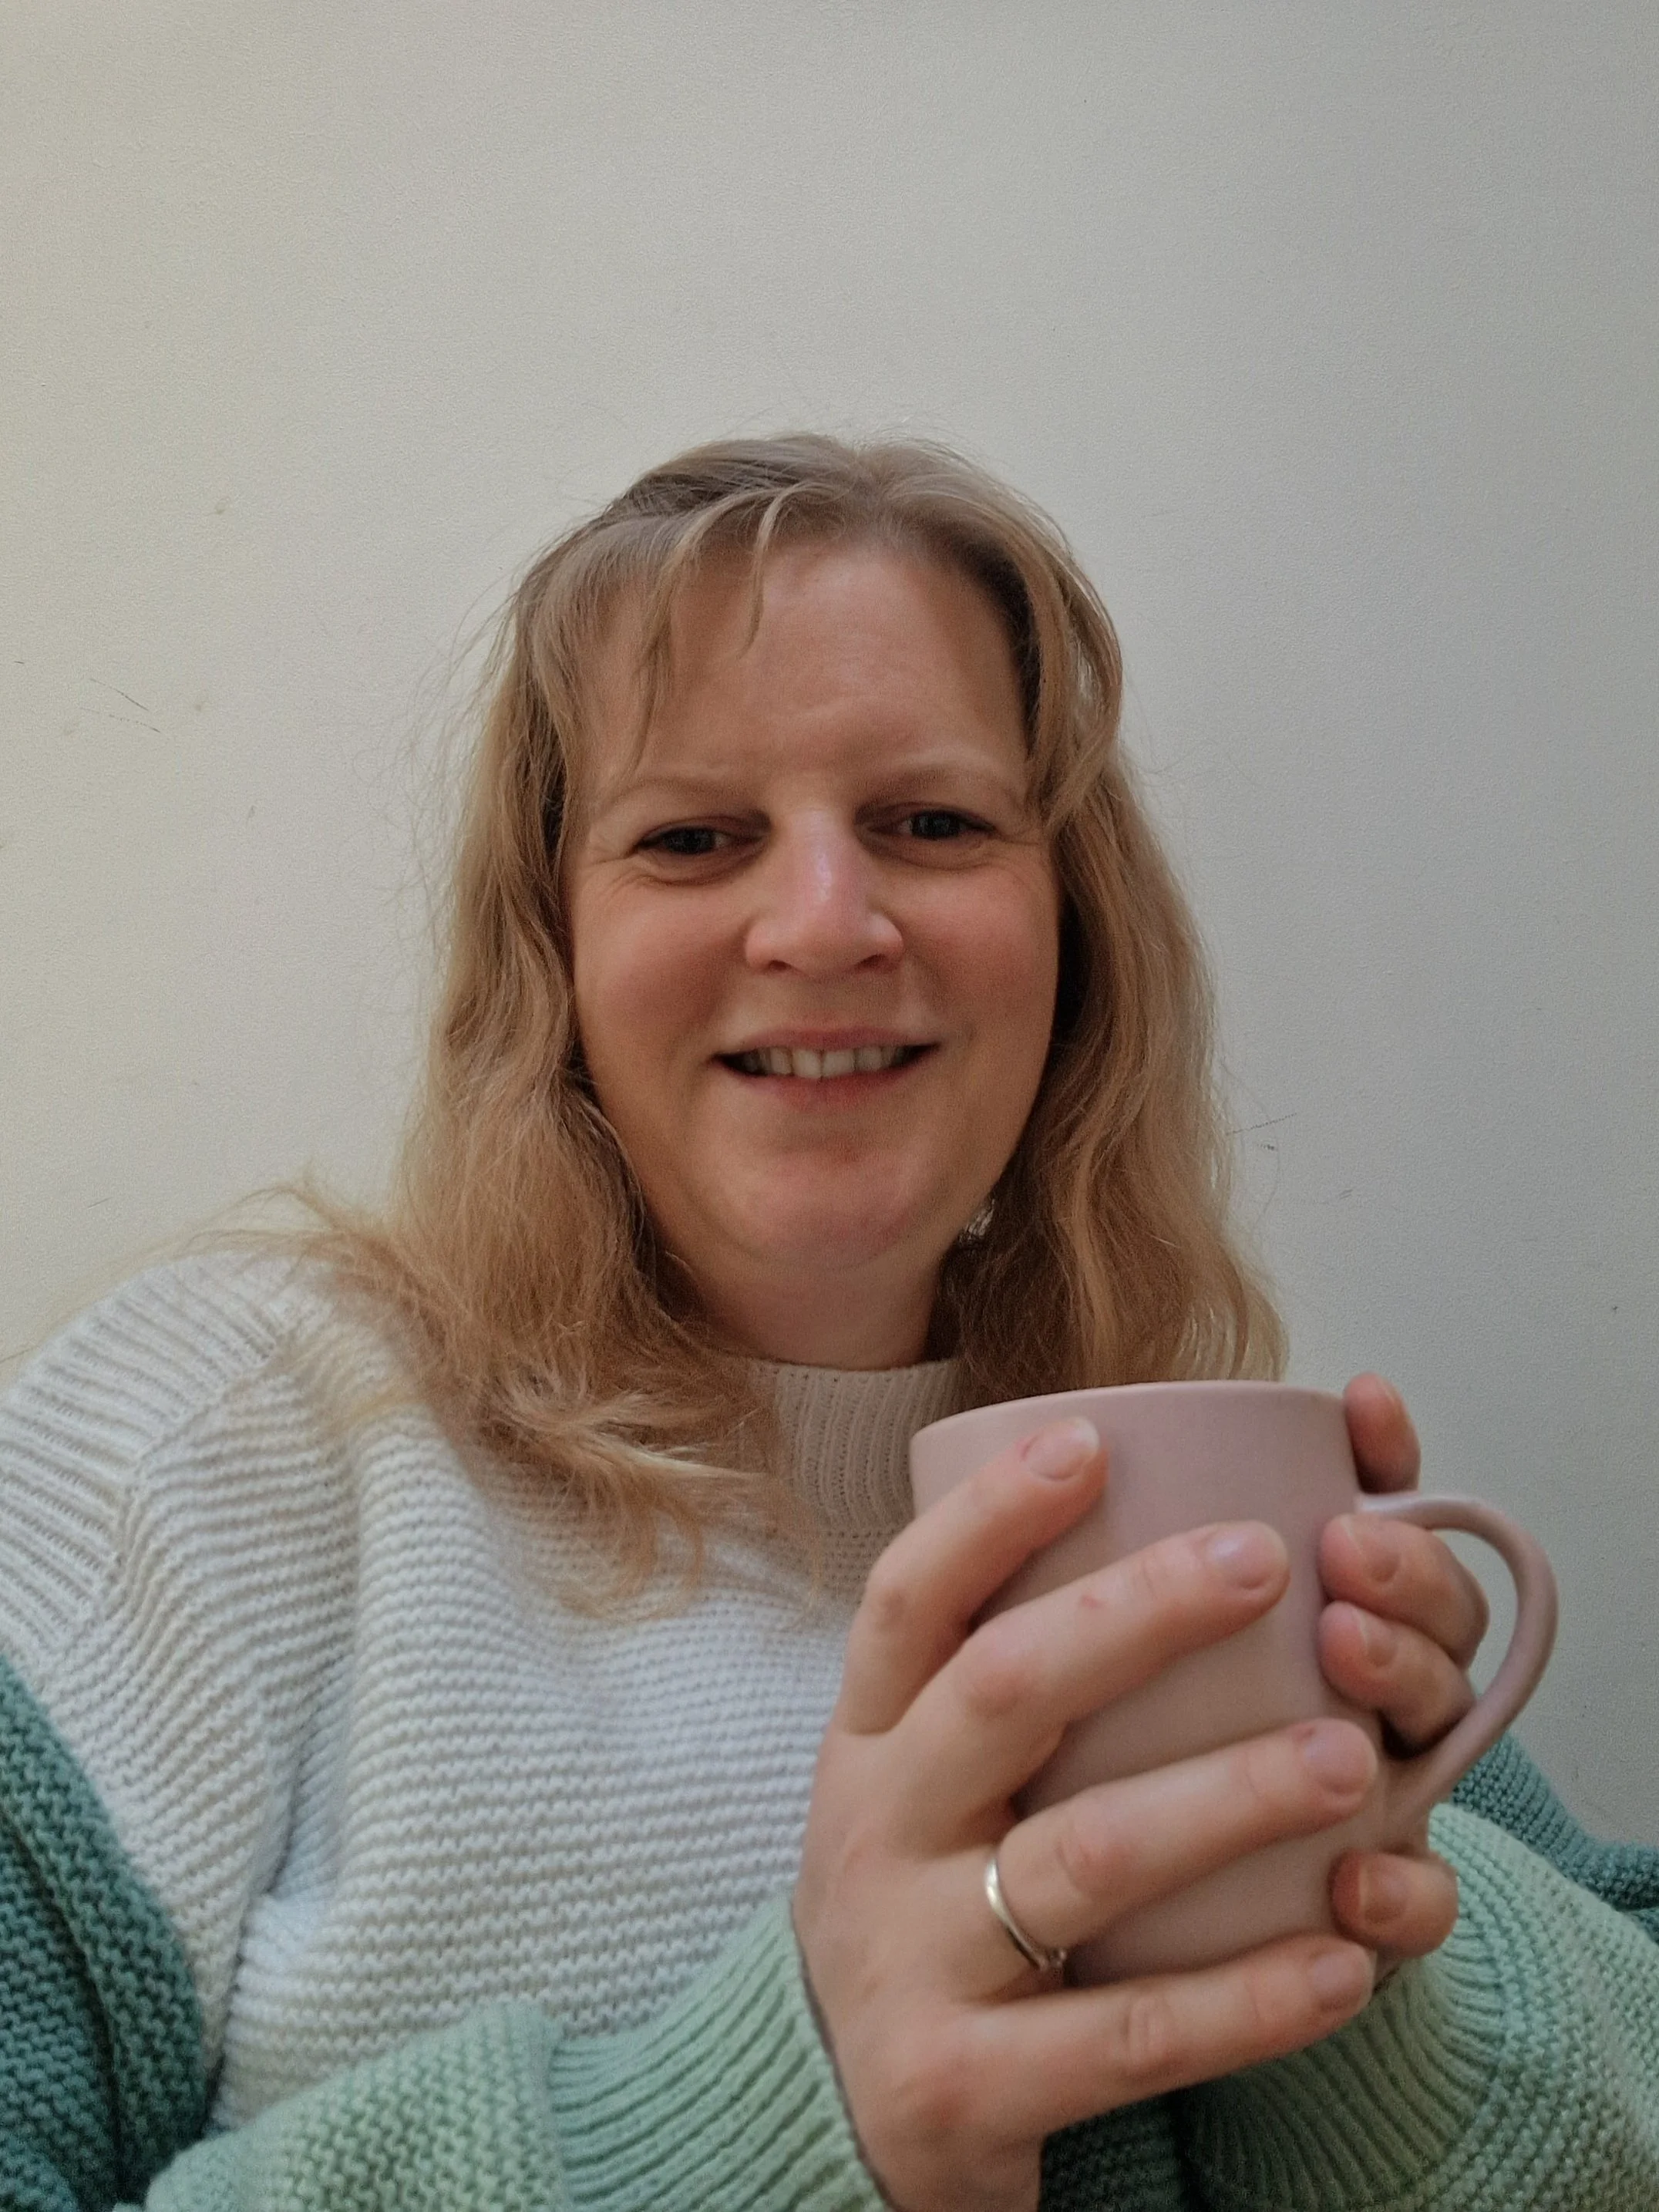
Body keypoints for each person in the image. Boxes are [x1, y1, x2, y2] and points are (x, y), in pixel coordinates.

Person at [2, 434, 1657, 2212]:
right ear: (548, 947)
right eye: (694, 837)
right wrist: (762, 2124)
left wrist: (1359, 1961)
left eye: (928, 824)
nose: (822, 922)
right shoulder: (214, 1443)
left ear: (1070, 932)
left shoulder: (1205, 1500)